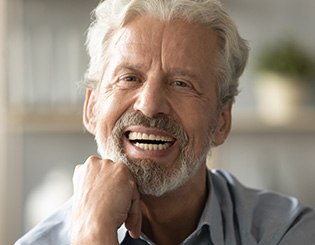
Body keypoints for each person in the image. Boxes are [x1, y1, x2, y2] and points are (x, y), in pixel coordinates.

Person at [16, 0, 315, 244]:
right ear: (92, 107)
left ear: (222, 120)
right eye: (129, 78)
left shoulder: (288, 233)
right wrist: (93, 233)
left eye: (182, 83)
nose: (149, 106)